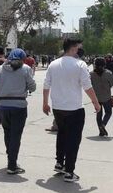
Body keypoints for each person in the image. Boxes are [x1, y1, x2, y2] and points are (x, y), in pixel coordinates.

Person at [43, 38, 101, 183]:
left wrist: (45, 103)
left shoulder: (53, 64)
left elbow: (46, 85)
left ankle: (59, 163)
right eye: (79, 47)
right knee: (74, 139)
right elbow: (87, 86)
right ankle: (69, 171)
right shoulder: (80, 64)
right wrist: (96, 103)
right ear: (74, 48)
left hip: (57, 107)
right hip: (74, 108)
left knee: (61, 134)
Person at [0, 48, 36, 175]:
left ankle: (10, 157)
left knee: (7, 132)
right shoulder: (26, 69)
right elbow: (32, 86)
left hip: (3, 106)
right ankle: (12, 164)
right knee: (16, 135)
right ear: (23, 59)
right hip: (19, 106)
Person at [91, 57, 113, 137]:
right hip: (106, 96)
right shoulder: (108, 73)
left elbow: (89, 85)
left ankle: (100, 131)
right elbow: (111, 84)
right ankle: (103, 125)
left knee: (99, 114)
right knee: (108, 112)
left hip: (96, 97)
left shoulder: (91, 74)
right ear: (104, 64)